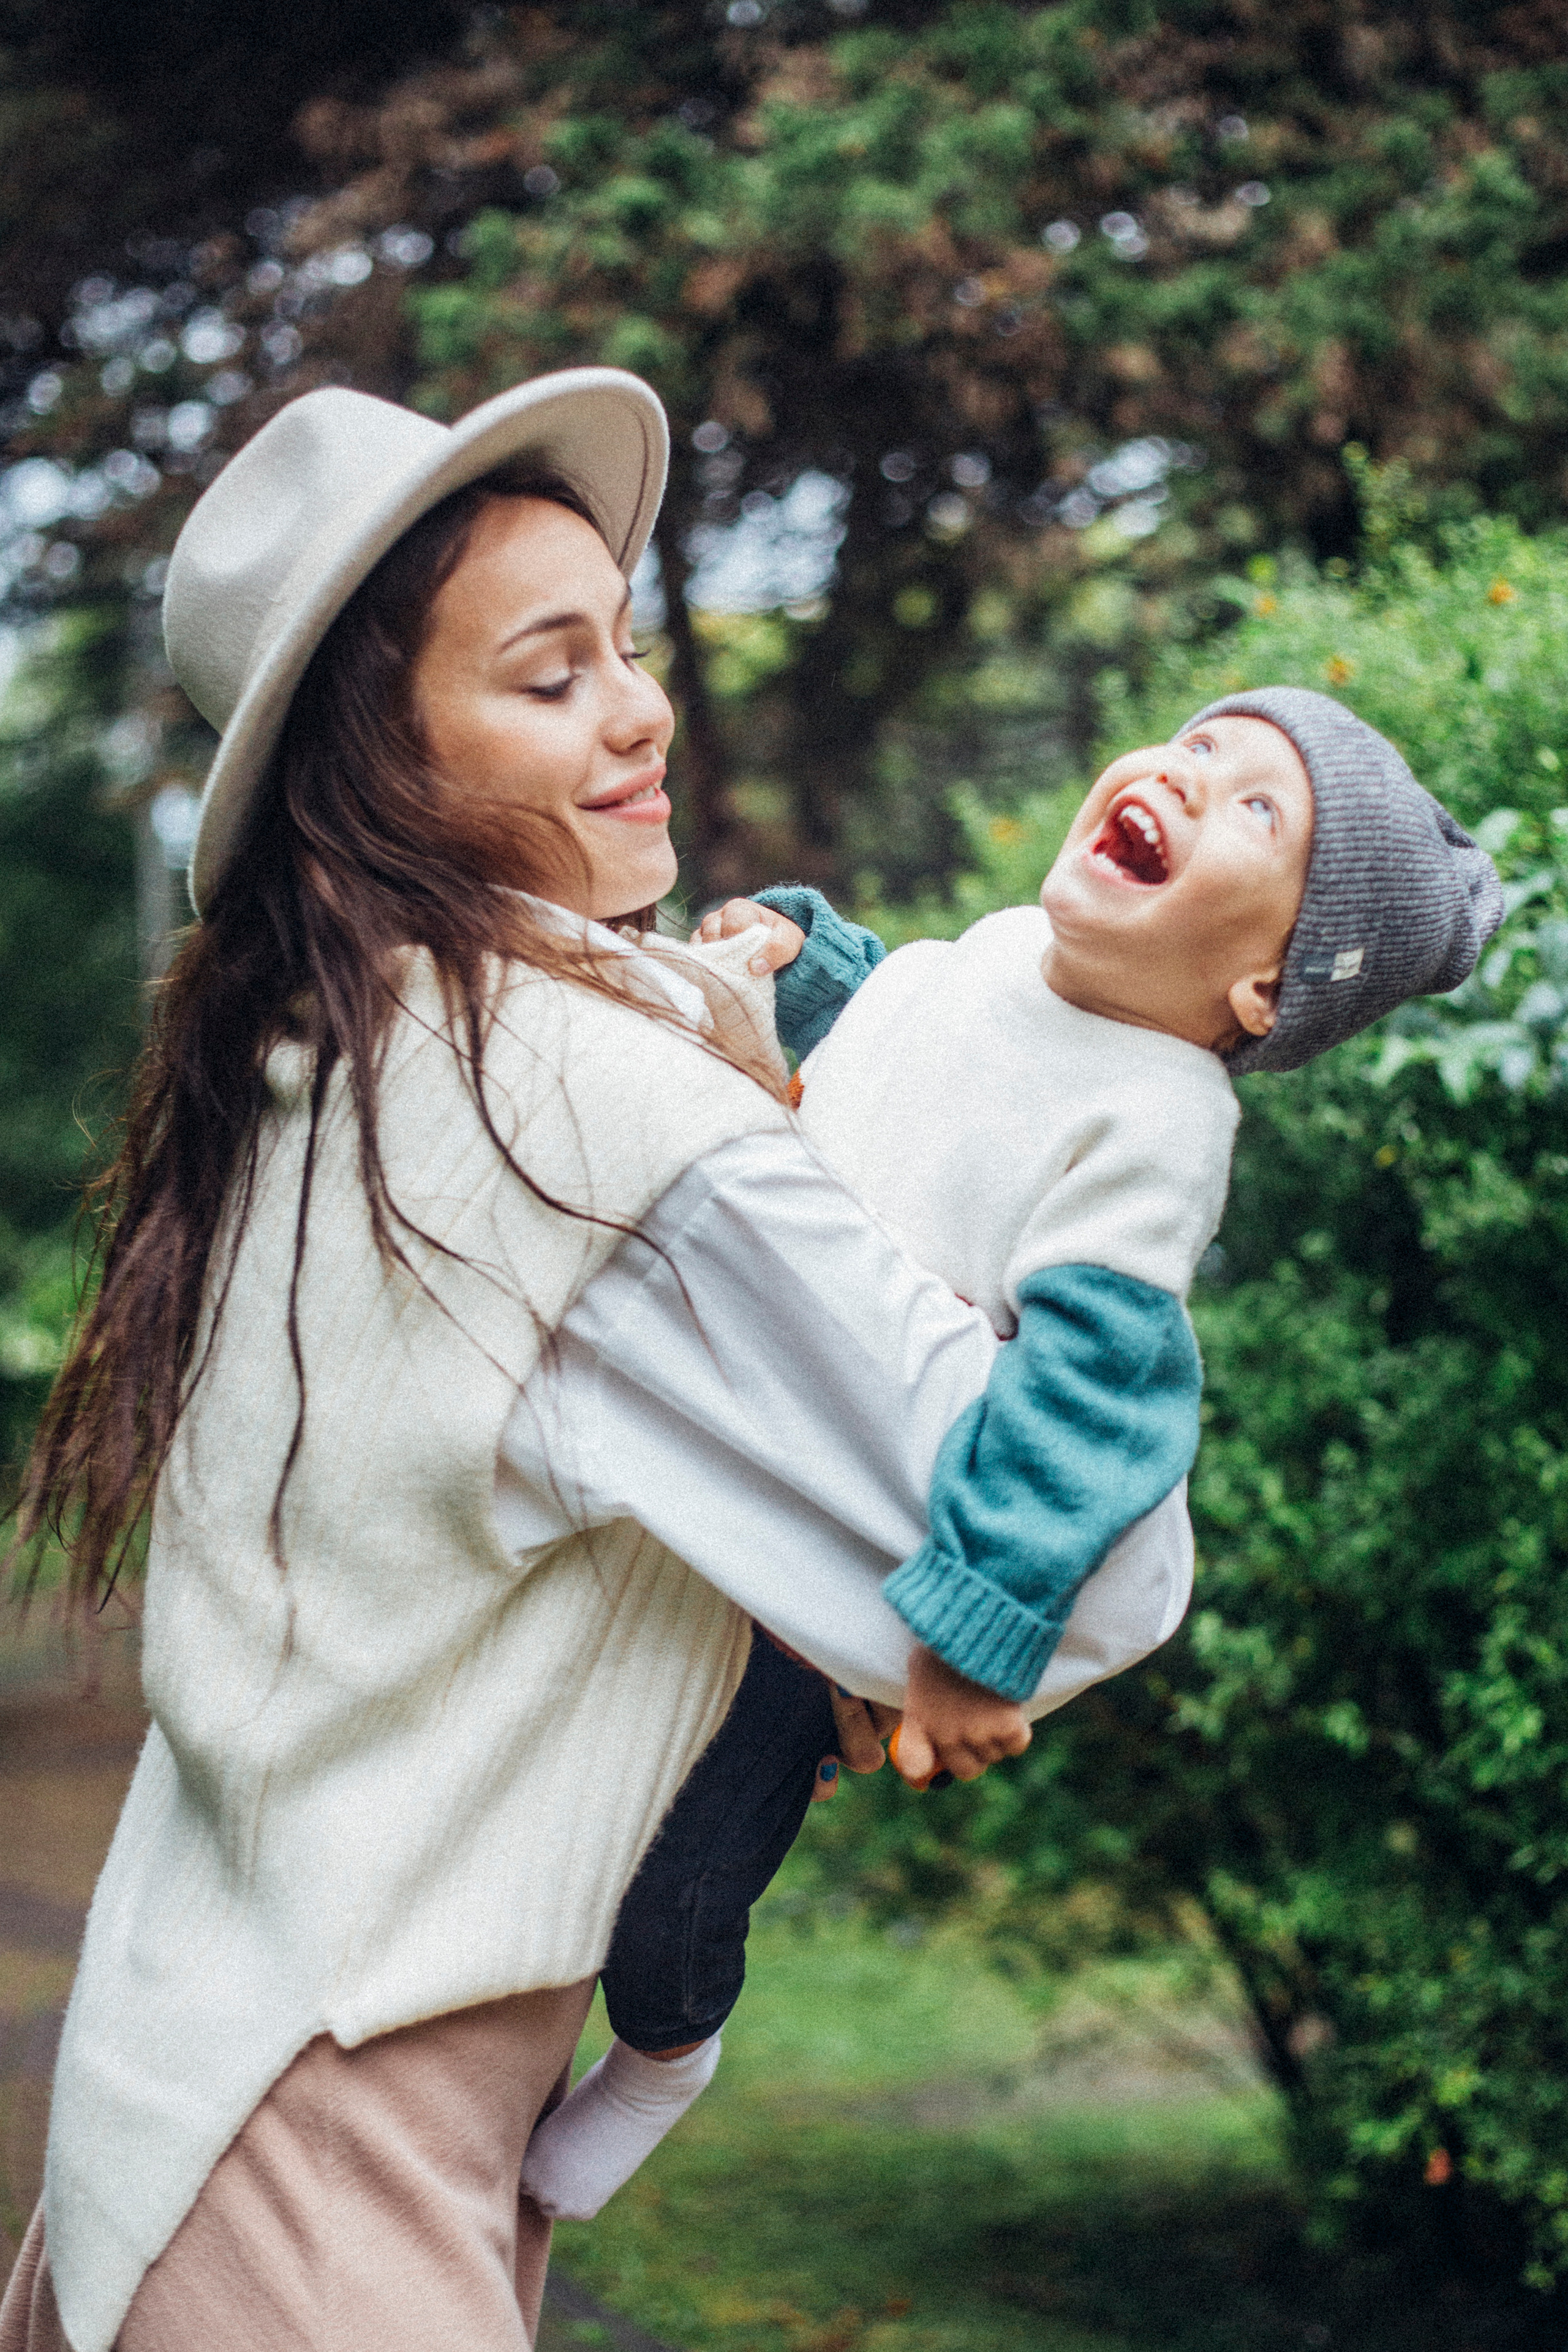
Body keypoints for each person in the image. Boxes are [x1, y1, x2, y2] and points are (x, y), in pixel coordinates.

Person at [0, 369, 1193, 2352]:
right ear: (378, 765)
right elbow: (1106, 1569)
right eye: (551, 678)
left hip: (203, 2103)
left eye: (623, 649)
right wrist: (1125, 1189)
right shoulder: (570, 1106)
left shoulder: (358, 1054)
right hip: (315, 2175)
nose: (640, 712)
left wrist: (840, 1624)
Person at [518, 686, 1505, 2224]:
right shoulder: (996, 953)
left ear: (1262, 987)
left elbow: (1096, 1393)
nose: (1188, 776)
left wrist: (975, 1635)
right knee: (556, 1795)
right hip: (725, 1438)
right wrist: (801, 960)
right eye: (1199, 744)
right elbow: (894, 1027)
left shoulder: (1154, 1119)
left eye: (1257, 807)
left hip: (823, 1564)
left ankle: (662, 2053)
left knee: (675, 1885)